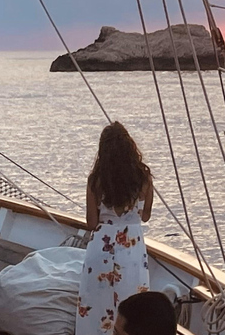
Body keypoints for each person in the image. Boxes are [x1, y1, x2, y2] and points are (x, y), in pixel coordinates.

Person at [76, 121, 154, 335]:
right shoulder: (144, 177)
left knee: (95, 309)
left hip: (102, 248)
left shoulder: (95, 180)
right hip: (132, 250)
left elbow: (92, 223)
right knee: (132, 310)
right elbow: (145, 215)